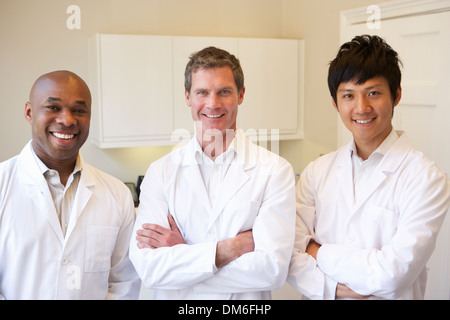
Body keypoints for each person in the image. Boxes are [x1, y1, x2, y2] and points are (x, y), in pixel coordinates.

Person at [287, 35, 450, 300]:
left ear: (396, 95)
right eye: (348, 95)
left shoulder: (427, 179)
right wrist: (332, 289)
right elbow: (289, 252)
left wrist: (317, 251)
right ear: (335, 102)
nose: (361, 108)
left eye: (373, 93)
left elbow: (393, 274)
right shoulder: (317, 172)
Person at [129, 46, 296, 299]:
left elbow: (271, 271)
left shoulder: (275, 171)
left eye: (224, 92)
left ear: (240, 94)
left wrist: (184, 256)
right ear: (187, 97)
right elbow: (150, 270)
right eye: (202, 92)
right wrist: (228, 250)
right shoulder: (161, 172)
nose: (212, 103)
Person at [0, 70, 140, 299]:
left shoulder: (117, 194)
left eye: (79, 110)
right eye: (53, 107)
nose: (67, 120)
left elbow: (123, 281)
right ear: (29, 112)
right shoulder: (3, 185)